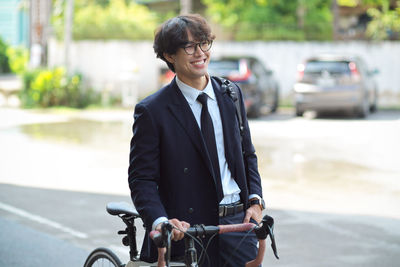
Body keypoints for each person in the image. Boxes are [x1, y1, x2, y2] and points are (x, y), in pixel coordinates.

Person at [128, 14, 265, 267]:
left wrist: (256, 201)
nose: (199, 53)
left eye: (203, 43)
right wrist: (161, 221)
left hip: (237, 224)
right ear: (170, 55)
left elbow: (247, 154)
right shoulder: (152, 110)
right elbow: (142, 178)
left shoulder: (231, 94)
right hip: (187, 229)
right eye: (189, 46)